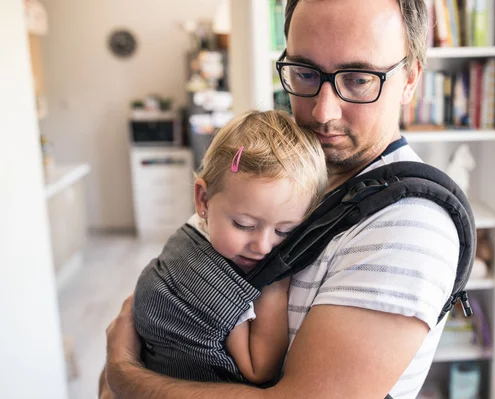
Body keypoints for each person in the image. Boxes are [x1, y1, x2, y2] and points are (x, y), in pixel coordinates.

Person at [101, 0, 460, 398]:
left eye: (359, 79)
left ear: (410, 78)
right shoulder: (282, 173)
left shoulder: (407, 227)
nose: (323, 111)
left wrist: (123, 375)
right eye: (305, 73)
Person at [132, 110, 328, 384]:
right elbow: (259, 369)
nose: (263, 246)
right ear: (203, 200)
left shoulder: (202, 225)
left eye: (285, 231)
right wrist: (275, 285)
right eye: (244, 224)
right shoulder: (212, 283)